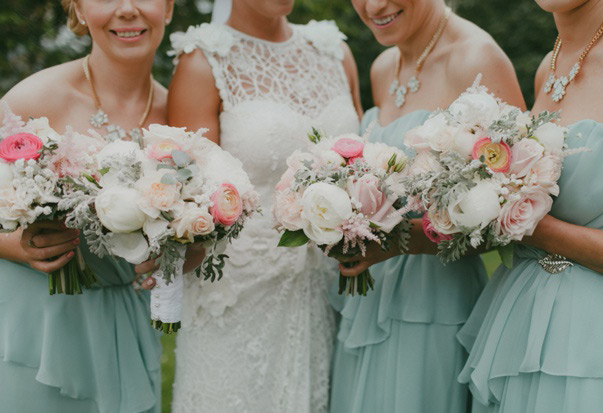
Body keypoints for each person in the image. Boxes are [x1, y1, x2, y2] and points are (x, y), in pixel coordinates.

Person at [329, 0, 525, 411]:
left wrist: (401, 241)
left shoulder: (477, 58)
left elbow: (516, 213)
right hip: (371, 299)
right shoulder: (384, 66)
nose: (374, 6)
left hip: (435, 303)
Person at [166, 0, 362, 411]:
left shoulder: (333, 51)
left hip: (332, 287)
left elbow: (362, 169)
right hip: (237, 297)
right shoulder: (203, 61)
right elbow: (184, 200)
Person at [0, 0, 174, 411]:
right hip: (37, 322)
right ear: (77, 9)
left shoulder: (178, 112)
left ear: (167, 7)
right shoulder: (36, 96)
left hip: (126, 320)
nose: (127, 10)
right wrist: (14, 246)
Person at [458, 0, 603, 411]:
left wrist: (532, 224)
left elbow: (538, 221)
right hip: (521, 329)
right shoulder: (548, 66)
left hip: (599, 348)